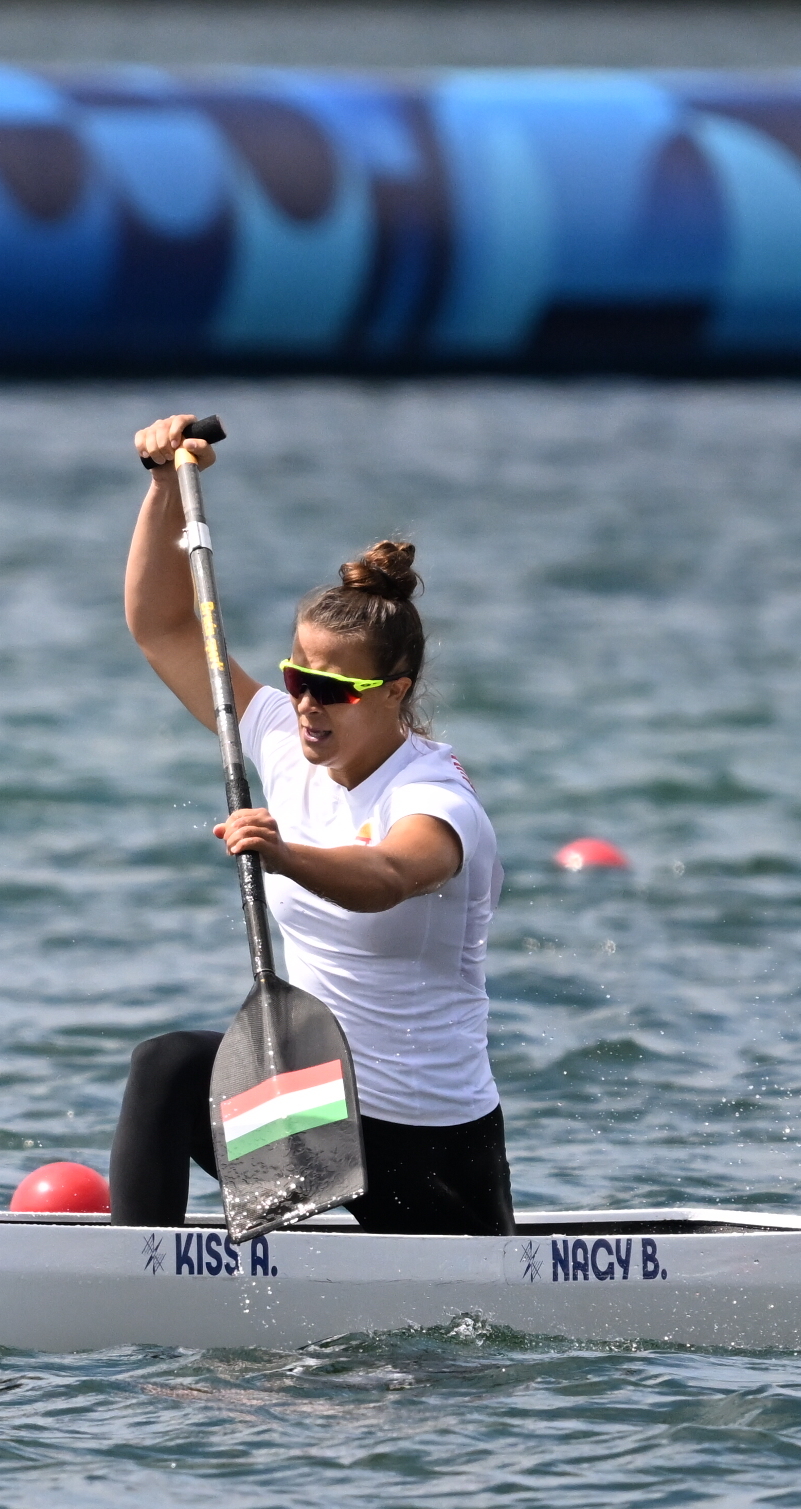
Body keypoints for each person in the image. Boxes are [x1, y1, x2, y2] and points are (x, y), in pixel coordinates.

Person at [108, 413, 512, 1236]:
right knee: (168, 1066)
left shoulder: (433, 796)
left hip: (426, 1144)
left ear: (395, 693)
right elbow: (163, 627)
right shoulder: (279, 738)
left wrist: (285, 854)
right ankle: (140, 1271)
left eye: (332, 690)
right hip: (319, 1111)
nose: (304, 704)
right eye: (297, 677)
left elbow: (390, 876)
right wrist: (162, 488)